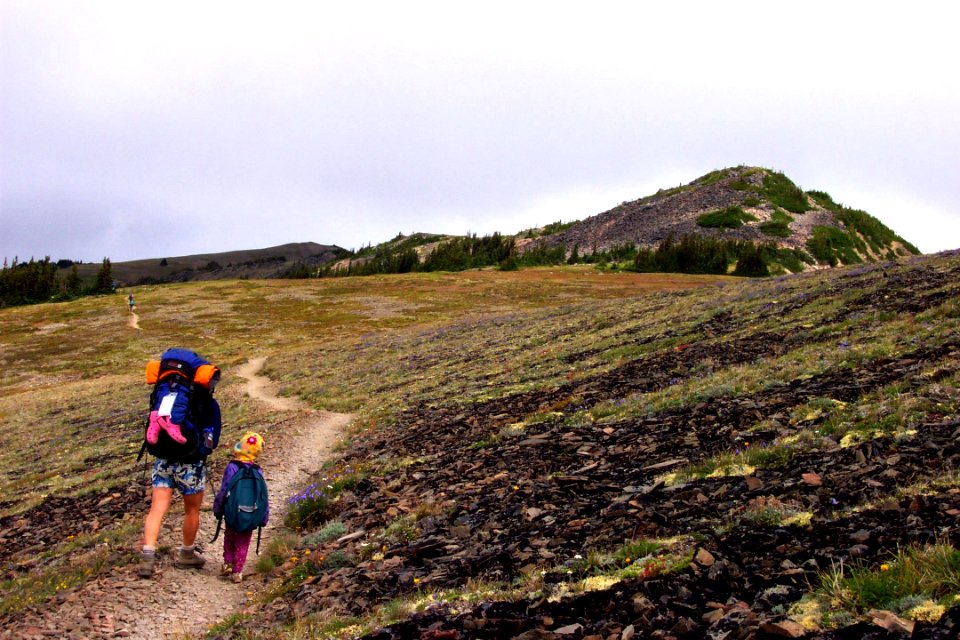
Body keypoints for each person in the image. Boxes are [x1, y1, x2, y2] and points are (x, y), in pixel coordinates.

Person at [137, 352, 221, 579]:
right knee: (191, 509)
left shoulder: (164, 394)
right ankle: (186, 554)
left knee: (157, 508)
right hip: (191, 463)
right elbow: (212, 437)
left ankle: (147, 555)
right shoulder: (206, 402)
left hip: (163, 459)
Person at [213, 432, 269, 583]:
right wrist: (264, 517)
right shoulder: (258, 470)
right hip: (251, 513)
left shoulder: (232, 466)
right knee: (243, 541)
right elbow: (263, 495)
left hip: (232, 512)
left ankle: (228, 563)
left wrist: (218, 508)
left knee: (230, 536)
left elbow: (224, 489)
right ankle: (238, 571)